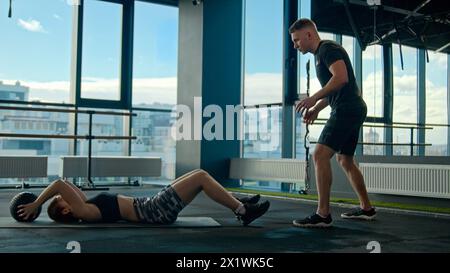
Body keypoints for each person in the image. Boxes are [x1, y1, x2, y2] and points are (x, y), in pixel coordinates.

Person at [289, 18, 376, 228]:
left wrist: (313, 98)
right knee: (345, 160)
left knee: (319, 154)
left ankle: (323, 214)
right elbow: (334, 90)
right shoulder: (322, 54)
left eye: (297, 40)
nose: (295, 45)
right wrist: (316, 109)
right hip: (352, 107)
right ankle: (367, 209)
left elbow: (341, 78)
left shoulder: (328, 49)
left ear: (309, 35)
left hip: (348, 109)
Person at [17, 169, 270, 226]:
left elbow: (65, 185)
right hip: (153, 211)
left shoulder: (85, 205)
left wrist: (40, 204)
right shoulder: (83, 211)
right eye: (60, 201)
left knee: (195, 174)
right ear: (64, 211)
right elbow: (59, 184)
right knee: (201, 177)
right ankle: (243, 211)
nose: (64, 196)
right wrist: (37, 204)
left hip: (151, 205)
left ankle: (240, 203)